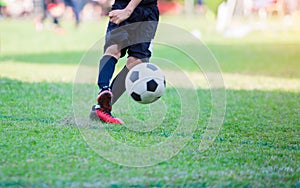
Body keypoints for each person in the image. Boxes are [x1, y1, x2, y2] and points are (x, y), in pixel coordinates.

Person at [89, 0, 159, 124]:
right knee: (113, 49)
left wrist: (129, 10)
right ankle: (103, 91)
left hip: (147, 11)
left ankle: (102, 107)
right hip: (123, 7)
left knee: (136, 64)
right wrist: (127, 10)